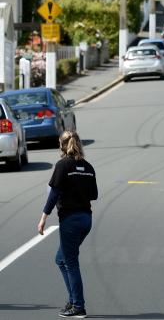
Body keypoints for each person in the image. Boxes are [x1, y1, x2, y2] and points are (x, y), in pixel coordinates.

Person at [37, 131, 98, 319]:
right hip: (86, 219)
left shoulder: (62, 165)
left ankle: (78, 306)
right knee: (61, 259)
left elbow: (53, 193)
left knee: (70, 262)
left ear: (62, 145)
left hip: (70, 220)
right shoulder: (88, 167)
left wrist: (43, 218)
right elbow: (94, 195)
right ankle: (73, 300)